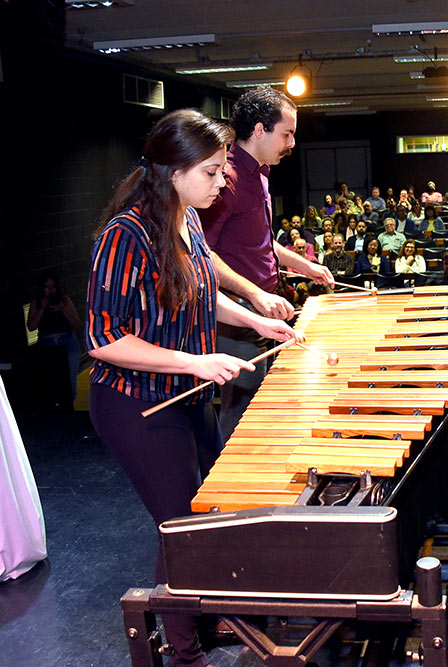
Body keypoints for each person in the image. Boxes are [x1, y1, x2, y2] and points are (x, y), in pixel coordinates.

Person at [86, 109, 300, 667]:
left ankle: (213, 616)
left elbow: (203, 288)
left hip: (183, 396)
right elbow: (103, 339)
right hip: (136, 405)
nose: (222, 181)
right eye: (210, 171)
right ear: (173, 171)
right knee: (180, 526)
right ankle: (182, 651)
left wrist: (255, 320)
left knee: (213, 511)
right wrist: (195, 361)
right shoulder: (126, 234)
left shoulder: (186, 220)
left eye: (223, 169)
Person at [198, 86, 331, 441]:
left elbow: (260, 241)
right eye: (286, 134)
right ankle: (230, 491)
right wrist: (255, 294)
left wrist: (304, 265)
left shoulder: (259, 174)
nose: (291, 143)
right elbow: (202, 254)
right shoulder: (227, 180)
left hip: (262, 305)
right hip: (236, 313)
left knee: (264, 407)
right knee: (241, 411)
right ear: (260, 130)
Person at [27, 273, 82, 406]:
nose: (51, 290)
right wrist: (42, 308)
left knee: (69, 380)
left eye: (53, 287)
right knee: (50, 380)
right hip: (47, 344)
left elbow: (77, 324)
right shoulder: (37, 302)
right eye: (47, 287)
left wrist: (63, 309)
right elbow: (31, 326)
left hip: (67, 341)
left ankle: (69, 405)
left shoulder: (64, 301)